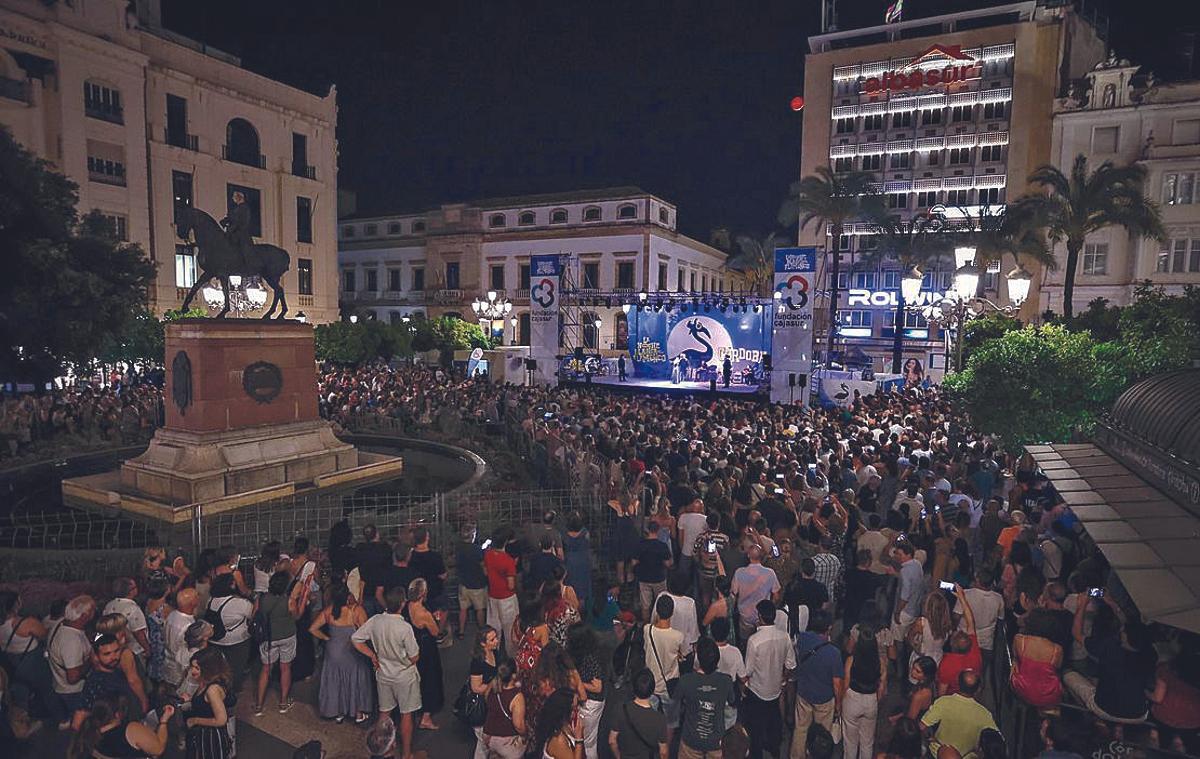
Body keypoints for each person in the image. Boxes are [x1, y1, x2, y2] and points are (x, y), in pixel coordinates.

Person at [1063, 592, 1156, 724]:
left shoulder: (1110, 647)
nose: (1121, 631)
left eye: (1123, 632)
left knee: (1067, 675)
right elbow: (1130, 628)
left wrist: (1082, 605)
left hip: (1105, 709)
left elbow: (1076, 633)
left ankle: (1091, 718)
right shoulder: (1150, 654)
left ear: (1126, 638)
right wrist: (1112, 604)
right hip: (1139, 713)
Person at [353, 586, 422, 759]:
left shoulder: (376, 620)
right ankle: (406, 754)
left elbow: (356, 638)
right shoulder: (404, 627)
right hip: (404, 676)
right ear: (402, 604)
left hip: (383, 674)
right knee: (406, 714)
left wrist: (372, 655)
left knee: (384, 713)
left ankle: (380, 749)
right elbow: (414, 657)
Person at [311, 581, 374, 724]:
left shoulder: (329, 611)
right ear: (347, 596)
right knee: (355, 679)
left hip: (333, 651)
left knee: (336, 681)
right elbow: (366, 633)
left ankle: (338, 712)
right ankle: (357, 713)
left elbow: (313, 629)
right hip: (351, 651)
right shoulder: (356, 611)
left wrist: (327, 638)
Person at [741, 600, 794, 759]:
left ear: (761, 617)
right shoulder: (784, 637)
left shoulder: (754, 640)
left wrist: (743, 688)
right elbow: (790, 665)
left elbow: (748, 670)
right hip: (775, 690)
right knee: (773, 725)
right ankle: (775, 751)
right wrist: (783, 681)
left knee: (756, 729)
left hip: (757, 691)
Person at [0, 590, 61, 725]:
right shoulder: (26, 623)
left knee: (21, 690)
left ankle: (21, 722)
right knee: (47, 689)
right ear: (16, 604)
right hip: (33, 661)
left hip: (13, 662)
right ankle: (61, 719)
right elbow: (44, 634)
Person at [253, 570, 307, 716]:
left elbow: (255, 616)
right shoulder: (289, 601)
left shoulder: (261, 599)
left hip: (268, 638)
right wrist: (303, 597)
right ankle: (283, 703)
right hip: (287, 636)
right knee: (285, 668)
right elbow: (297, 616)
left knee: (265, 669)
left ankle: (259, 705)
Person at [789, 609, 839, 759]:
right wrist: (839, 705)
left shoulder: (802, 639)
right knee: (821, 734)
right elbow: (837, 684)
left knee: (800, 729)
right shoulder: (833, 653)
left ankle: (796, 756)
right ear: (829, 628)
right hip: (824, 698)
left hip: (804, 692)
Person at [677, 637, 735, 759]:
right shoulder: (726, 681)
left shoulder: (686, 681)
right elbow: (732, 706)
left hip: (691, 740)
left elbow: (675, 708)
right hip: (717, 740)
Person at [68, 693, 173, 759]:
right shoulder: (131, 730)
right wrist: (164, 721)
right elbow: (158, 749)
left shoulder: (89, 731)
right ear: (117, 714)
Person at [921, 670, 996, 758]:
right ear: (978, 689)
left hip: (938, 753)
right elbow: (997, 742)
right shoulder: (985, 714)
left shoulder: (944, 702)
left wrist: (929, 738)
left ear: (958, 683)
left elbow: (922, 726)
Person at [402, 578, 444, 731]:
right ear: (423, 593)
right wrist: (437, 619)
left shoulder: (407, 607)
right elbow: (435, 632)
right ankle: (426, 717)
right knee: (430, 679)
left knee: (418, 679)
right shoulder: (424, 613)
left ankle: (416, 710)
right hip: (426, 649)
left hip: (412, 646)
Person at [644, 595, 687, 743]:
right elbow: (683, 655)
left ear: (656, 611)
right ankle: (666, 751)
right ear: (672, 612)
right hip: (670, 685)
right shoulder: (678, 636)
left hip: (650, 684)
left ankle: (649, 746)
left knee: (649, 719)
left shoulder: (647, 630)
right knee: (671, 722)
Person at [50, 595, 96, 727]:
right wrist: (91, 660)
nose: (95, 612)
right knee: (83, 725)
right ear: (83, 616)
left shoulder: (62, 623)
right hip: (74, 691)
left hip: (60, 685)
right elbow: (73, 677)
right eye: (92, 610)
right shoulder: (71, 642)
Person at [205, 574, 254, 692]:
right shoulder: (239, 603)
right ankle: (232, 691)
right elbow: (252, 614)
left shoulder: (210, 600)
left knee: (221, 668)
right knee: (236, 668)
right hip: (236, 642)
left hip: (215, 640)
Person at [841, 625, 885, 759]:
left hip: (853, 699)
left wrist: (841, 702)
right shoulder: (880, 662)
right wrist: (876, 703)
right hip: (871, 699)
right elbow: (882, 688)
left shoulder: (851, 660)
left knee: (850, 741)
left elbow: (846, 684)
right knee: (867, 742)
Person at [184, 647, 236, 759]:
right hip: (203, 733)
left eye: (197, 668)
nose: (192, 671)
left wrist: (195, 720)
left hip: (212, 737)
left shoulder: (212, 690)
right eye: (192, 667)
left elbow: (221, 720)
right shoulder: (205, 681)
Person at [608, 669, 668, 759]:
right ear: (652, 690)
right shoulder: (660, 719)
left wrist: (619, 756)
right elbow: (663, 752)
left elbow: (612, 741)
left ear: (633, 688)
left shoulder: (621, 709)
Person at [936, 586, 982, 697]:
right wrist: (962, 598)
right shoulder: (974, 651)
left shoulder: (947, 664)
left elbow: (941, 693)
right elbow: (971, 621)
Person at [568, 625, 605, 759]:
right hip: (587, 701)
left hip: (591, 703)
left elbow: (597, 687)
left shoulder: (590, 658)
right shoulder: (581, 654)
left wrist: (577, 682)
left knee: (588, 742)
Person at [731, 544, 780, 643]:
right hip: (762, 617)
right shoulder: (770, 573)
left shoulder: (739, 573)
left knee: (745, 642)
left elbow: (733, 594)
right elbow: (776, 595)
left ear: (748, 555)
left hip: (745, 616)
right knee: (762, 642)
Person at [408, 527, 449, 638]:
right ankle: (438, 633)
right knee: (442, 609)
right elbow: (443, 575)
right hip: (436, 590)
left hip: (418, 591)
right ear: (427, 538)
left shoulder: (411, 556)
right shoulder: (435, 557)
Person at [481, 660, 526, 759]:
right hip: (506, 743)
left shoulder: (492, 685)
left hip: (488, 737)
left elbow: (486, 699)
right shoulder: (517, 697)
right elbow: (518, 725)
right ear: (513, 675)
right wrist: (526, 734)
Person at [485, 529, 520, 656]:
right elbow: (511, 585)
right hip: (507, 598)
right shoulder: (508, 561)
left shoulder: (488, 555)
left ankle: (494, 653)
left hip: (493, 596)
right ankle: (512, 657)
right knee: (510, 629)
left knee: (494, 627)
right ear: (505, 542)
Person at [469, 626, 502, 759]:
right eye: (492, 639)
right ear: (483, 643)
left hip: (491, 703)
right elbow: (476, 687)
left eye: (496, 637)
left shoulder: (495, 653)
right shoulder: (478, 661)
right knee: (483, 743)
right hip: (482, 706)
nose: (496, 641)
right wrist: (495, 685)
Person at [102, 577, 150, 663]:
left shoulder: (109, 605)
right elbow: (138, 632)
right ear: (131, 591)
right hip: (134, 651)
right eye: (135, 587)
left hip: (115, 649)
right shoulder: (133, 609)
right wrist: (147, 649)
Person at [633, 522, 673, 622]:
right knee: (661, 604)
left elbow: (634, 562)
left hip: (644, 578)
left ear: (648, 530)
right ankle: (659, 625)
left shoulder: (640, 545)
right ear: (658, 531)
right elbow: (668, 563)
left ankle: (646, 626)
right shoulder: (662, 546)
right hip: (659, 578)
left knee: (645, 605)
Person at [456, 524, 489, 641]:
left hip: (463, 583)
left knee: (463, 609)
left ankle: (461, 631)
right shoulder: (476, 550)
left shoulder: (458, 548)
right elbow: (483, 567)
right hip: (477, 584)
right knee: (479, 609)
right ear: (472, 535)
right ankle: (482, 630)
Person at [164, 588, 199, 690]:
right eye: (197, 596)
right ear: (192, 603)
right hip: (179, 669)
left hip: (168, 663)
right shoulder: (187, 626)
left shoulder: (172, 614)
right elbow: (187, 652)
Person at [534, 687, 583, 759]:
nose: (577, 710)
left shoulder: (565, 725)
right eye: (574, 708)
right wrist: (579, 740)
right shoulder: (558, 740)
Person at [220, 189, 253, 270]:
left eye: (234, 197)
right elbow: (230, 218)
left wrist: (232, 228)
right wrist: (224, 221)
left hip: (240, 232)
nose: (233, 199)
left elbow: (242, 221)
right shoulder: (236, 209)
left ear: (239, 198)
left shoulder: (244, 208)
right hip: (233, 230)